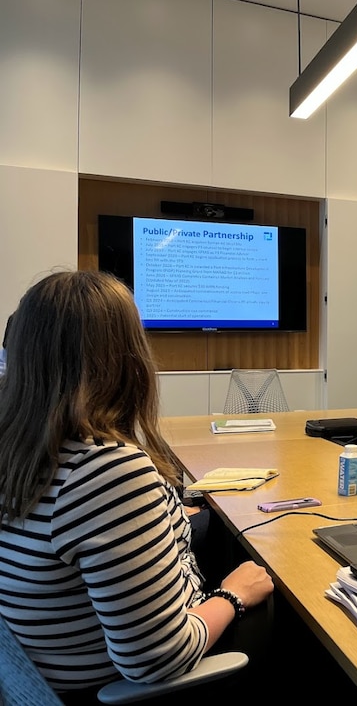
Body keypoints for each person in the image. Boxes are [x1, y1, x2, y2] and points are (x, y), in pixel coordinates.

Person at [0, 271, 274, 698]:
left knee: (213, 525)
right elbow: (155, 660)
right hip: (121, 685)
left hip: (51, 667)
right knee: (282, 596)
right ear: (127, 359)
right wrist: (233, 595)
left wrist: (159, 517)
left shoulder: (19, 447)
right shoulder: (107, 471)